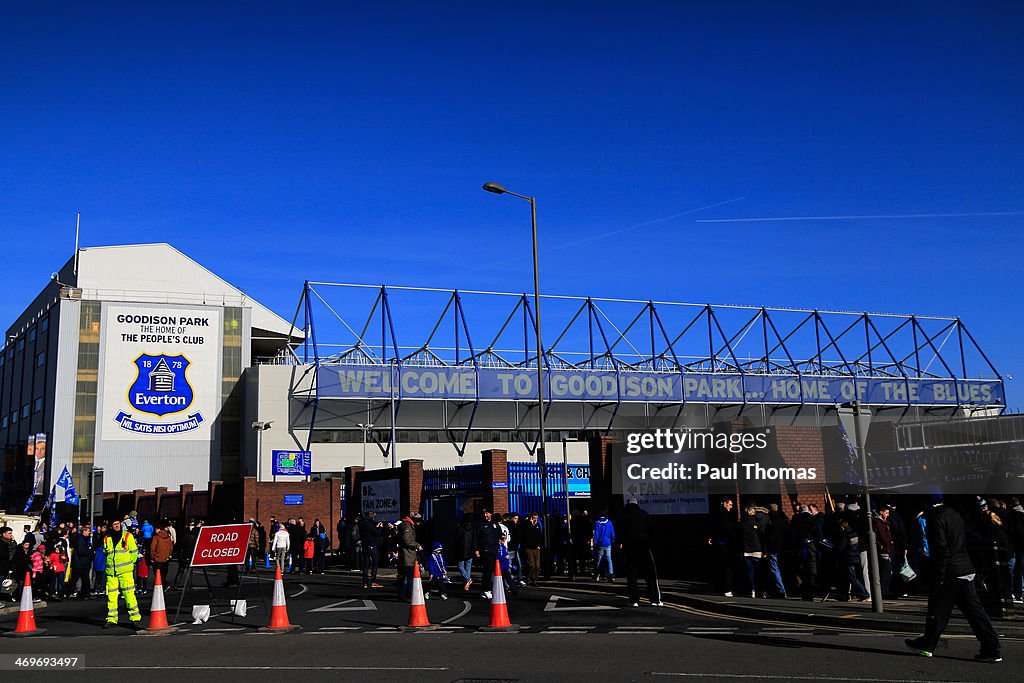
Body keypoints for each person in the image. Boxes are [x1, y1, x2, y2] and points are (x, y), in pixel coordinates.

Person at [906, 494, 1001, 663]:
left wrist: (939, 575)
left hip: (950, 572)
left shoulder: (935, 518)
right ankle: (992, 648)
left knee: (937, 610)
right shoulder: (955, 514)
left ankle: (928, 644)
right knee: (974, 613)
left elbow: (941, 549)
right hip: (964, 567)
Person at [619, 497, 662, 607]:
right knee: (650, 574)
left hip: (629, 548)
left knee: (632, 575)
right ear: (637, 504)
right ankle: (655, 600)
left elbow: (619, 532)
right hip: (643, 546)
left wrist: (622, 542)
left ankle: (633, 600)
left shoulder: (623, 517)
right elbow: (653, 529)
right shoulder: (643, 514)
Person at [103, 519, 141, 628]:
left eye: (118, 523)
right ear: (111, 526)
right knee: (111, 596)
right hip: (111, 573)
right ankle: (111, 619)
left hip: (125, 572)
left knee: (129, 595)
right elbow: (106, 553)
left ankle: (135, 618)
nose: (116, 526)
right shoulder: (107, 538)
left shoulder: (127, 536)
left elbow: (134, 552)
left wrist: (130, 564)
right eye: (114, 524)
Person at [709, 497, 738, 597]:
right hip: (724, 544)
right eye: (730, 504)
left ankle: (718, 588)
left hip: (718, 543)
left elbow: (713, 527)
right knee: (727, 567)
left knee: (719, 566)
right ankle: (727, 589)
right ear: (725, 504)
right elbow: (725, 528)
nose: (731, 506)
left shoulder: (717, 513)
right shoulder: (724, 514)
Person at [474, 509, 501, 599]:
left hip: (494, 550)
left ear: (491, 513)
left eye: (487, 513)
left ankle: (485, 589)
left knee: (489, 570)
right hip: (485, 550)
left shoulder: (494, 523)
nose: (485, 515)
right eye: (484, 513)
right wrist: (476, 549)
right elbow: (475, 537)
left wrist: (501, 538)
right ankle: (487, 589)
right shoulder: (480, 524)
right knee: (488, 569)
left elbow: (499, 533)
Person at [397, 515, 421, 601]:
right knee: (408, 577)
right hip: (408, 556)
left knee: (404, 577)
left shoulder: (405, 525)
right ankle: (408, 595)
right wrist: (417, 545)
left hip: (405, 556)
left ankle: (404, 594)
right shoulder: (408, 527)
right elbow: (407, 540)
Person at [359, 512, 384, 589]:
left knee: (366, 563)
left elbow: (369, 531)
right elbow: (376, 533)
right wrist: (380, 527)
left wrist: (375, 527)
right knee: (375, 562)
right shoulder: (369, 524)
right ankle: (373, 581)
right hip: (372, 544)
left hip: (364, 544)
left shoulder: (361, 523)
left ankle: (365, 582)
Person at [67, 526, 94, 599]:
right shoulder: (80, 540)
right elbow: (81, 551)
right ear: (84, 531)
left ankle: (86, 594)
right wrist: (89, 551)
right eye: (88, 531)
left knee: (85, 580)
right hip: (79, 563)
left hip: (83, 564)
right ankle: (65, 592)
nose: (89, 532)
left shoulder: (84, 539)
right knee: (74, 579)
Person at [520, 512, 543, 587]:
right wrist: (530, 523)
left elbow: (539, 535)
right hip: (528, 548)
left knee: (537, 566)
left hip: (536, 548)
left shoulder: (537, 525)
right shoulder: (526, 524)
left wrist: (539, 545)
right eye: (533, 517)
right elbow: (526, 534)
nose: (535, 519)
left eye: (536, 518)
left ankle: (534, 580)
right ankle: (527, 578)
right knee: (531, 565)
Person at [592, 510, 615, 582]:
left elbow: (596, 534)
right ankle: (610, 575)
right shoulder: (609, 522)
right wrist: (613, 540)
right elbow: (612, 533)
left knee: (598, 560)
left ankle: (597, 575)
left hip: (600, 543)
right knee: (609, 560)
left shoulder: (597, 523)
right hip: (608, 543)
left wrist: (595, 543)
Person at [149, 523, 174, 588]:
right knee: (164, 574)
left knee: (157, 574)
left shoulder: (156, 537)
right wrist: (169, 555)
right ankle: (164, 586)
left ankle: (163, 585)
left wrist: (152, 557)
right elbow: (171, 548)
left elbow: (152, 548)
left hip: (157, 559)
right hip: (166, 559)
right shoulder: (168, 537)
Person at [455, 515, 476, 590]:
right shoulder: (473, 529)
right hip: (470, 550)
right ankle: (466, 583)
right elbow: (474, 540)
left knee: (460, 566)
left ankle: (467, 579)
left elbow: (456, 540)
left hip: (461, 550)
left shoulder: (460, 528)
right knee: (468, 567)